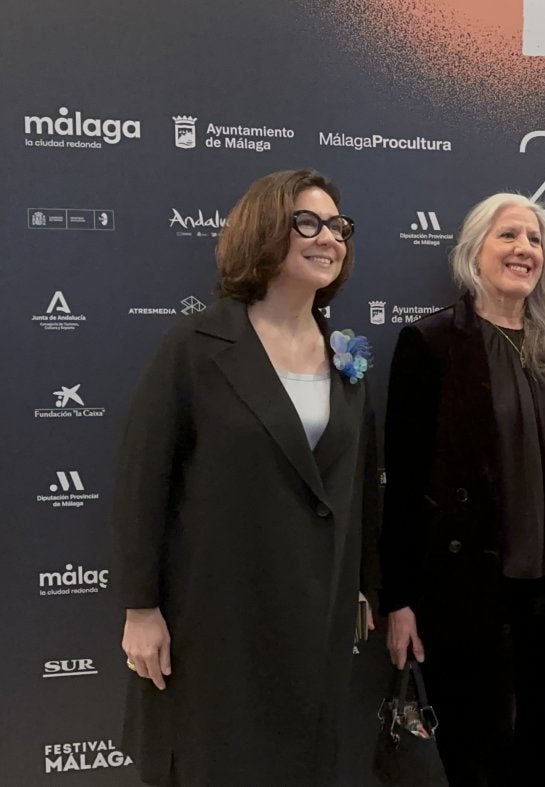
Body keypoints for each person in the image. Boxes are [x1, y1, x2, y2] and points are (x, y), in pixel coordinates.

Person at [112, 169, 380, 786]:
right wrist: (140, 608)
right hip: (216, 613)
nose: (328, 238)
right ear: (265, 231)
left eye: (338, 226)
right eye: (306, 222)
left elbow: (360, 483)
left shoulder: (345, 353)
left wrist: (364, 582)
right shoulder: (199, 344)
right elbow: (141, 481)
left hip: (315, 612)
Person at [380, 193, 545, 787]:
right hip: (460, 591)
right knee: (473, 755)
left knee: (533, 748)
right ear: (473, 252)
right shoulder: (430, 344)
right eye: (508, 236)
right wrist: (397, 599)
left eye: (534, 240)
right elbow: (402, 483)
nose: (523, 250)